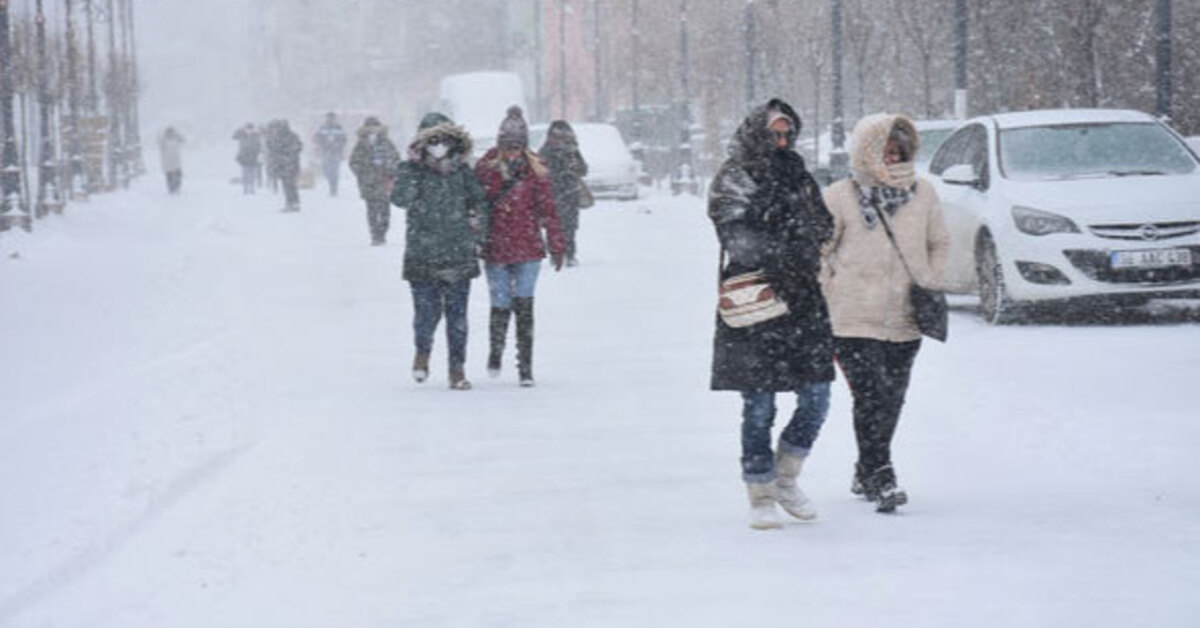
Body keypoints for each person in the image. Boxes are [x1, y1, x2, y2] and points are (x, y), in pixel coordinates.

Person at [708, 98, 836, 530]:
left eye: (787, 134)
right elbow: (737, 237)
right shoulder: (735, 176)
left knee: (817, 396)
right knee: (759, 403)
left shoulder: (798, 172)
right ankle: (760, 489)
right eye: (773, 134)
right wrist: (788, 241)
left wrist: (801, 238)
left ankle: (786, 476)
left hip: (803, 299)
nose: (781, 142)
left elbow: (823, 224)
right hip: (758, 300)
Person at [819, 113, 951, 513]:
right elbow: (819, 250)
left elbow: (940, 242)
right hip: (852, 317)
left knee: (892, 398)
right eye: (885, 151)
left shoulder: (923, 193)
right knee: (871, 395)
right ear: (866, 152)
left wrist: (929, 277)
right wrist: (831, 288)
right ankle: (881, 474)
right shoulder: (841, 195)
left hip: (906, 315)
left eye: (898, 151)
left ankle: (865, 468)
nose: (892, 158)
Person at [391, 112, 489, 390]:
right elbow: (400, 199)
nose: (438, 146)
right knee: (426, 316)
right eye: (432, 141)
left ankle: (457, 370)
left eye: (443, 140)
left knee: (458, 319)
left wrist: (478, 226)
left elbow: (480, 202)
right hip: (422, 256)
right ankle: (422, 354)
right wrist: (412, 167)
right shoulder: (411, 170)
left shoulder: (463, 172)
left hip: (459, 254)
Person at [474, 106, 566, 388]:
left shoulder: (536, 170)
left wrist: (557, 244)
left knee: (525, 307)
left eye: (517, 147)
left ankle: (525, 367)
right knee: (500, 304)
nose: (513, 152)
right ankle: (496, 351)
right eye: (508, 146)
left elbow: (548, 210)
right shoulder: (486, 168)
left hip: (528, 249)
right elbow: (475, 205)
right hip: (497, 249)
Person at [537, 120, 589, 267]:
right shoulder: (552, 150)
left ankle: (564, 254)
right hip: (561, 192)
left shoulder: (568, 150)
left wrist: (573, 168)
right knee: (562, 225)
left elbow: (583, 169)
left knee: (562, 226)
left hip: (560, 193)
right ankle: (561, 254)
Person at [349, 117, 401, 246]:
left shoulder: (387, 143)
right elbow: (354, 162)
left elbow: (396, 158)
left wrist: (391, 170)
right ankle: (375, 234)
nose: (372, 130)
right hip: (368, 182)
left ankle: (382, 233)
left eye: (375, 127)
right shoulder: (361, 144)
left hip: (385, 181)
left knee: (385, 209)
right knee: (371, 209)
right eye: (370, 127)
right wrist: (363, 173)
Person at [267, 119, 303, 212]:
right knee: (290, 185)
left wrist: (284, 157)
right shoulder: (291, 136)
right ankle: (294, 203)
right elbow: (298, 147)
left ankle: (290, 203)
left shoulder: (281, 137)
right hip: (288, 165)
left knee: (288, 185)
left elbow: (297, 148)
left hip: (287, 165)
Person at [314, 112, 348, 196]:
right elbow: (316, 138)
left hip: (335, 153)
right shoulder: (322, 128)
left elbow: (344, 140)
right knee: (325, 170)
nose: (330, 119)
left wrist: (337, 145)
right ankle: (331, 183)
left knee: (334, 171)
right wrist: (322, 144)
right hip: (325, 152)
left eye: (332, 118)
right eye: (328, 118)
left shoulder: (338, 128)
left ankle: (333, 188)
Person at [233, 123, 262, 195]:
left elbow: (259, 145)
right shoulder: (242, 135)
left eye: (250, 129)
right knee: (245, 172)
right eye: (247, 129)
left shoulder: (256, 135)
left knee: (252, 173)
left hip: (253, 156)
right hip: (244, 156)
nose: (249, 130)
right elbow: (234, 137)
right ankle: (245, 188)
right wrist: (240, 129)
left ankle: (251, 188)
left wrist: (259, 152)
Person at [158, 126, 185, 194]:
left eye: (172, 132)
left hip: (176, 160)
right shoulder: (163, 140)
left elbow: (183, 140)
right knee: (169, 176)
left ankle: (177, 188)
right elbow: (158, 141)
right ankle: (171, 189)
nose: (170, 133)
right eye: (169, 132)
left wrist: (177, 134)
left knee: (178, 174)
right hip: (167, 161)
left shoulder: (176, 138)